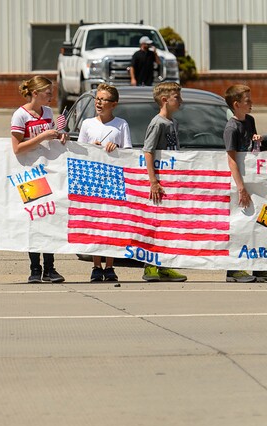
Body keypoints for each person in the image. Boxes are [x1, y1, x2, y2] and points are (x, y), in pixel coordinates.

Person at [223, 84, 267, 283]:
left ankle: (261, 267)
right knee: (240, 226)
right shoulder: (231, 128)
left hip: (255, 183)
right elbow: (232, 159)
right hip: (240, 184)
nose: (251, 103)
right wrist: (241, 188)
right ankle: (234, 270)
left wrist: (257, 142)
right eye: (247, 100)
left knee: (266, 222)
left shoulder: (250, 121)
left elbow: (253, 152)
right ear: (236, 104)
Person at [10, 76, 67, 284]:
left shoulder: (49, 113)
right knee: (34, 220)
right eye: (47, 92)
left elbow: (51, 137)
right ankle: (35, 268)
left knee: (49, 218)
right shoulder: (20, 115)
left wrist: (59, 136)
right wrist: (42, 137)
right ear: (35, 93)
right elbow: (16, 148)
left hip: (48, 171)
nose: (51, 96)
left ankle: (50, 268)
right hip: (29, 174)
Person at [77, 83, 132, 282]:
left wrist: (115, 146)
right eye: (97, 99)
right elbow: (81, 150)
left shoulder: (121, 124)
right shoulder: (87, 124)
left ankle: (110, 265)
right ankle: (96, 265)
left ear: (114, 104)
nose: (99, 103)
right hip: (93, 179)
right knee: (95, 223)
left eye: (104, 100)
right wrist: (92, 147)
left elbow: (128, 151)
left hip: (113, 179)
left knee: (111, 223)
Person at [141, 82, 187, 282]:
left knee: (169, 225)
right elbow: (148, 151)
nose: (181, 101)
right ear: (164, 100)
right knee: (156, 225)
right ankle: (150, 266)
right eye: (177, 97)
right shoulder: (157, 123)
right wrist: (153, 181)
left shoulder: (173, 123)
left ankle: (165, 266)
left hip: (172, 182)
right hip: (159, 183)